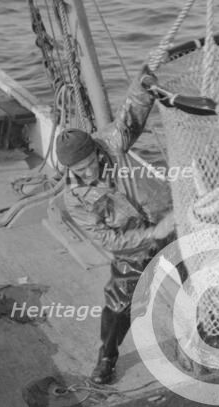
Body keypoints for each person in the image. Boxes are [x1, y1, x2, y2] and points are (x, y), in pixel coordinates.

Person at [55, 127, 175, 383]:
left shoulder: (113, 143)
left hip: (164, 215)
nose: (89, 172)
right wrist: (153, 233)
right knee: (119, 303)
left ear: (97, 152)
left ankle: (206, 333)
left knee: (196, 275)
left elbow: (135, 110)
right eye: (80, 170)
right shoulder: (74, 198)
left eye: (90, 164)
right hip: (133, 241)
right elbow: (108, 239)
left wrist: (145, 86)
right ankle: (107, 357)